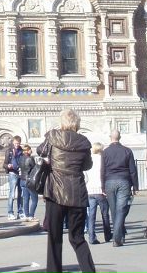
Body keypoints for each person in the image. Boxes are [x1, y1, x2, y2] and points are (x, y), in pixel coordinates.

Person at [37, 108, 95, 273]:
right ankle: (89, 270)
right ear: (77, 123)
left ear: (62, 122)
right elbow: (87, 165)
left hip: (55, 192)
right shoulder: (83, 142)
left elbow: (40, 151)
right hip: (77, 193)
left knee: (54, 237)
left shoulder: (53, 136)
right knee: (77, 238)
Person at [102, 129, 138, 247]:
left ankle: (119, 236)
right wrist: (135, 186)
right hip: (124, 181)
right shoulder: (127, 151)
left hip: (109, 181)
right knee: (121, 210)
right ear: (120, 137)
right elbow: (133, 170)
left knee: (114, 211)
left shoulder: (105, 152)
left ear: (110, 138)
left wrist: (103, 186)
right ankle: (118, 237)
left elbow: (102, 170)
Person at [85, 142, 112, 244]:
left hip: (90, 190)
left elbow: (85, 175)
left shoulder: (88, 159)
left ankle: (91, 237)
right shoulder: (103, 159)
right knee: (105, 214)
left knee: (91, 215)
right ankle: (107, 235)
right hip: (100, 189)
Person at [3, 134, 23, 220]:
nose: (16, 145)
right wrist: (8, 166)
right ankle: (10, 213)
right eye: (15, 143)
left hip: (20, 173)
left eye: (18, 143)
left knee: (20, 194)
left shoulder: (21, 151)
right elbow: (4, 164)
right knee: (12, 194)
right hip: (12, 174)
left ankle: (20, 212)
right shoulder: (9, 151)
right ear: (13, 142)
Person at [19, 144, 38, 221]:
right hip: (29, 181)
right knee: (34, 199)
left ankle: (26, 215)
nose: (31, 151)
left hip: (22, 180)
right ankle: (31, 215)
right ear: (28, 150)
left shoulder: (21, 158)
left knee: (26, 199)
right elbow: (35, 169)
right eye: (30, 149)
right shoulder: (30, 158)